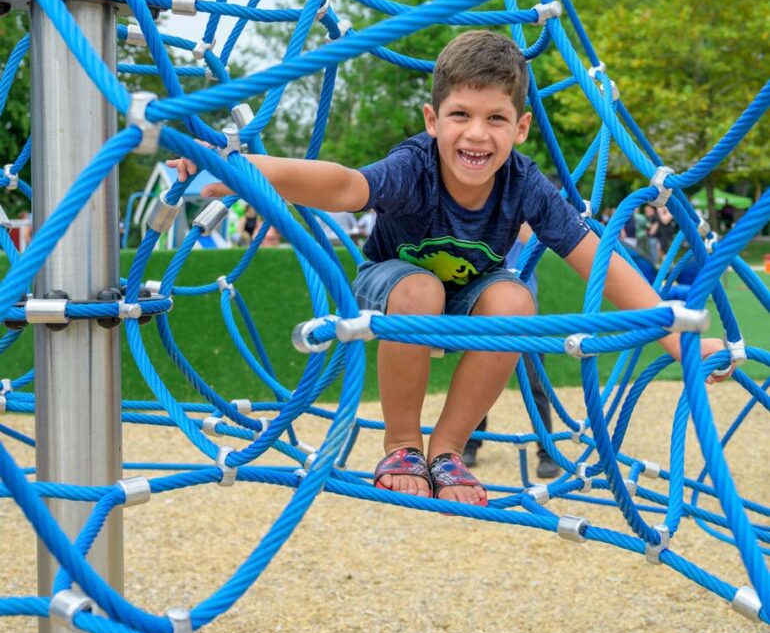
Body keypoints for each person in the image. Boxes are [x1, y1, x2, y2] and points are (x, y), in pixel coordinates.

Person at [170, 31, 729, 508]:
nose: (477, 134)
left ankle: (447, 448)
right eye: (460, 114)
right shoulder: (414, 168)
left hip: (470, 298)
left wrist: (679, 338)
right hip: (393, 285)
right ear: (433, 120)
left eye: (496, 118)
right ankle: (402, 442)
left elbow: (596, 259)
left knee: (515, 301)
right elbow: (344, 186)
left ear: (522, 127)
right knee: (420, 287)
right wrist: (236, 165)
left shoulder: (524, 183)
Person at [464, 225, 558, 479]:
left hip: (524, 316)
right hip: (489, 315)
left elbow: (539, 241)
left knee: (535, 384)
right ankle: (470, 443)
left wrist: (513, 219)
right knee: (477, 382)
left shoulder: (524, 221)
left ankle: (547, 452)